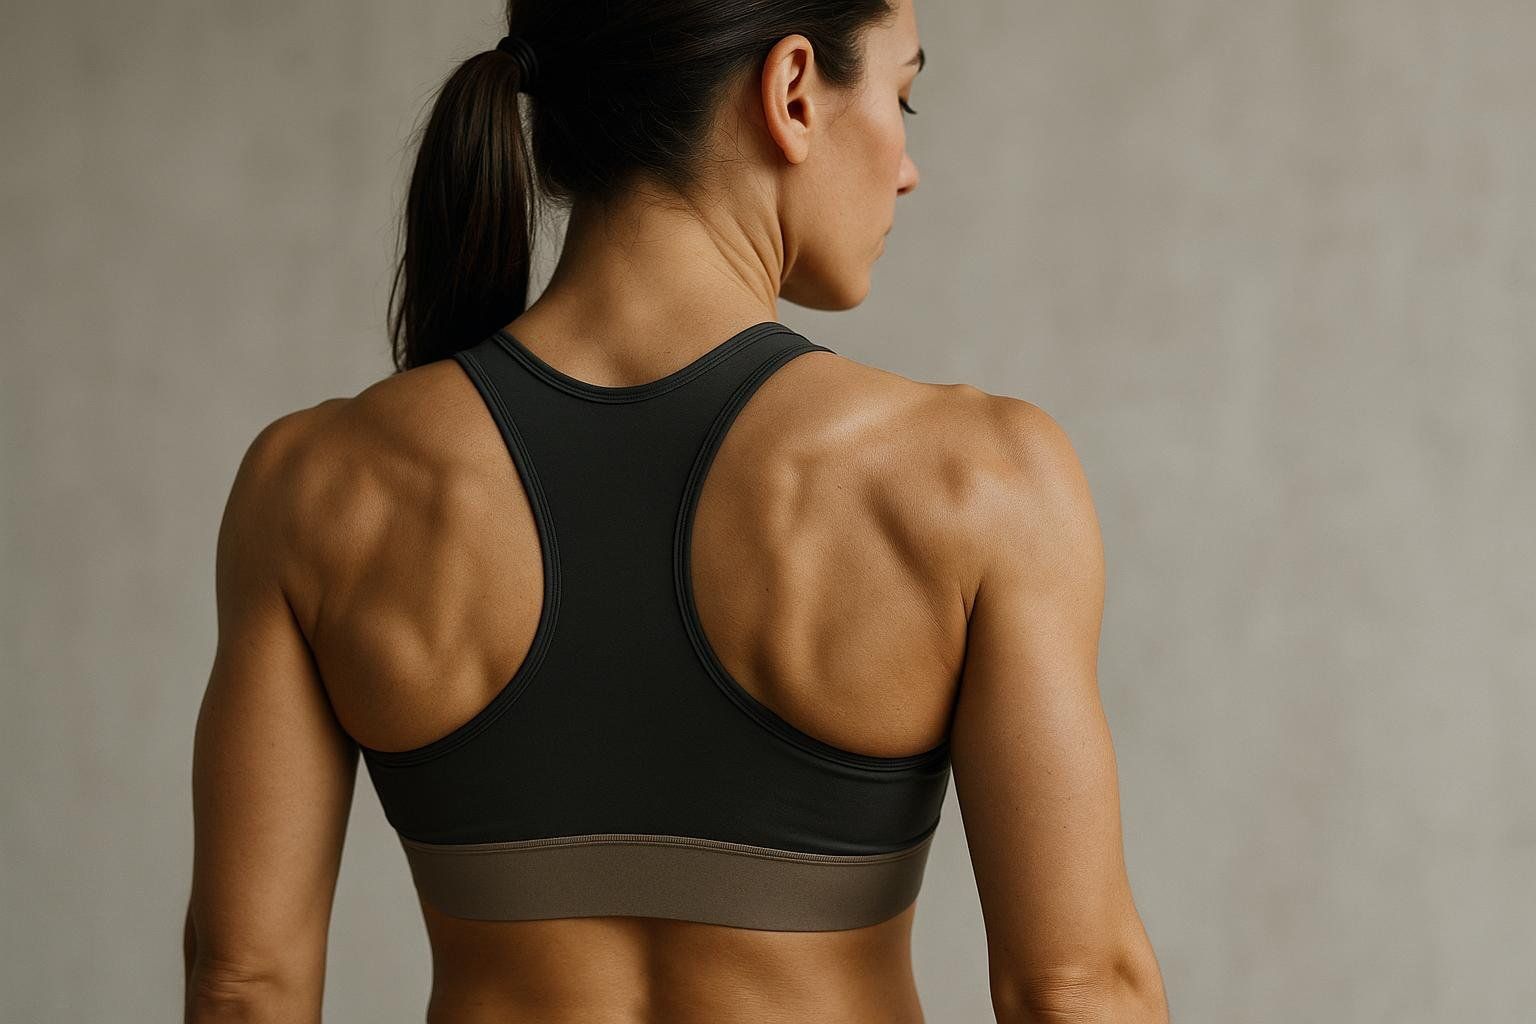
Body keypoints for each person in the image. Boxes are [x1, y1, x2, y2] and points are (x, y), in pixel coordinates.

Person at [183, 1, 1169, 1021]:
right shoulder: (976, 482)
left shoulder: (316, 486)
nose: (909, 167)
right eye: (903, 96)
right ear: (793, 92)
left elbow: (246, 987)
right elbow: (1074, 988)